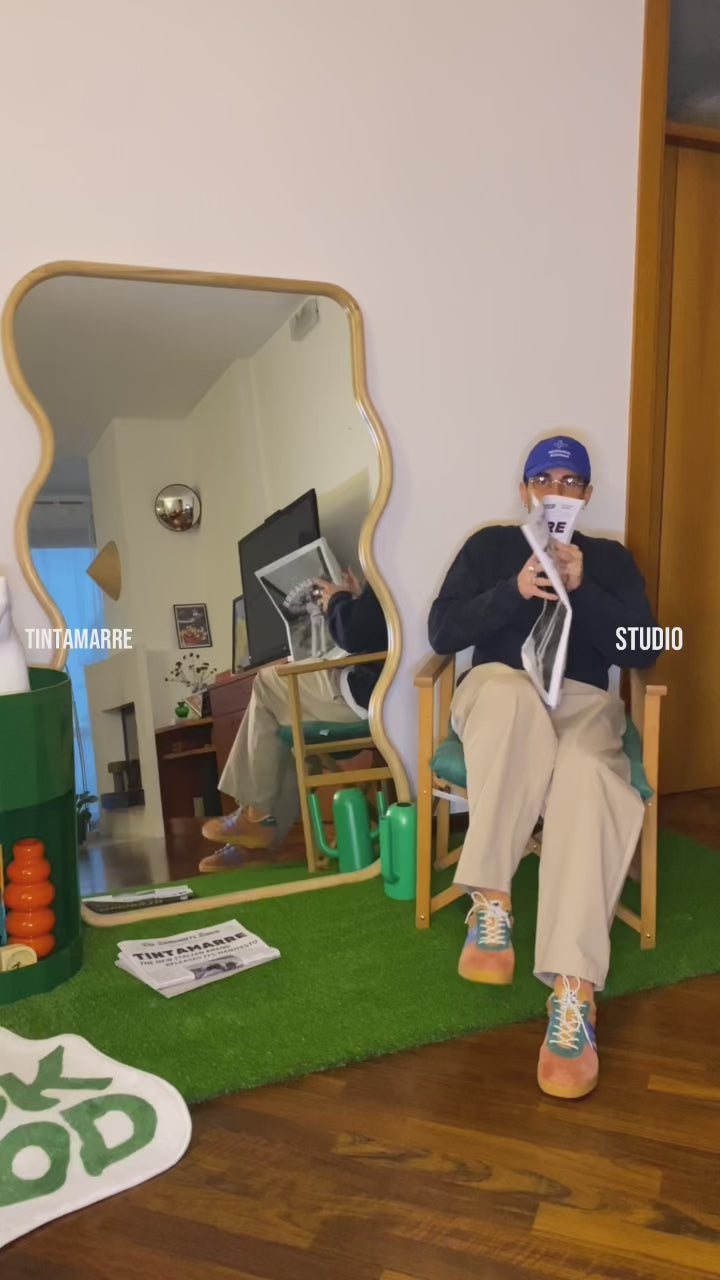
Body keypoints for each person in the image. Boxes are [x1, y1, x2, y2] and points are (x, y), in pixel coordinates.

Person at [428, 435, 656, 1100]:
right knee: (513, 703)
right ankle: (491, 900)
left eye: (571, 481)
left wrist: (586, 590)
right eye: (545, 479)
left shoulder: (609, 558)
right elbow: (442, 633)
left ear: (586, 495)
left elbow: (649, 645)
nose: (557, 490)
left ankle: (573, 991)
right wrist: (514, 590)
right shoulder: (490, 547)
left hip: (580, 701)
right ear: (525, 489)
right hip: (501, 689)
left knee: (588, 772)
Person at [198, 571, 387, 871]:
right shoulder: (411, 568)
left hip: (370, 696)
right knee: (280, 720)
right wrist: (359, 598)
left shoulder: (389, 565)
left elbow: (352, 634)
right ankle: (258, 832)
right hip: (385, 691)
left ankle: (257, 820)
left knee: (268, 683)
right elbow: (373, 625)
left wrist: (337, 599)